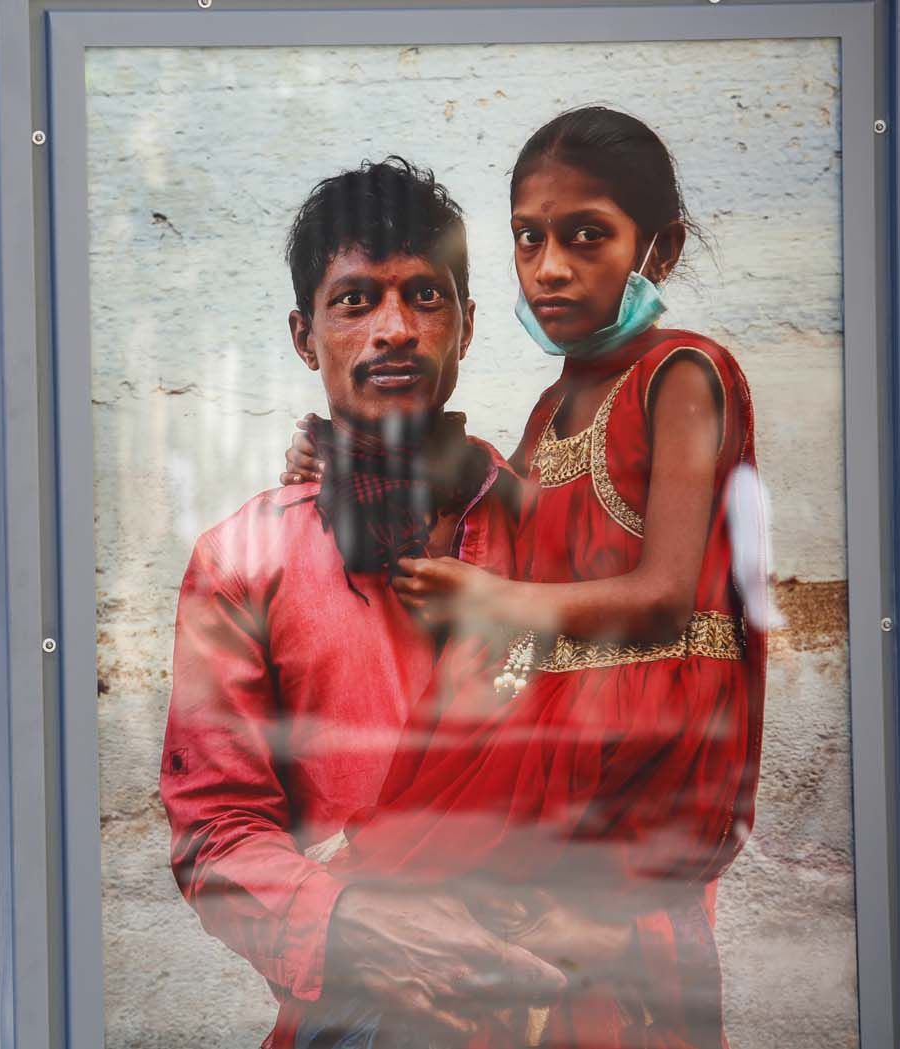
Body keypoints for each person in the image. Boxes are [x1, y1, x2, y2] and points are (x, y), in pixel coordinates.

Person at [286, 107, 767, 1048]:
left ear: (656, 249)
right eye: (527, 237)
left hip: (643, 723)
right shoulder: (553, 405)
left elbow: (667, 588)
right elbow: (507, 510)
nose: (548, 267)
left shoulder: (683, 372)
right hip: (561, 716)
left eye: (586, 235)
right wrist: (331, 451)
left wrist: (499, 602)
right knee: (411, 876)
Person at [160, 158, 574, 1049]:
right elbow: (216, 834)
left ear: (464, 326)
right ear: (305, 336)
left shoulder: (558, 536)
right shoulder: (243, 561)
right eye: (355, 301)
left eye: (425, 297)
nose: (395, 329)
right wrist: (357, 928)